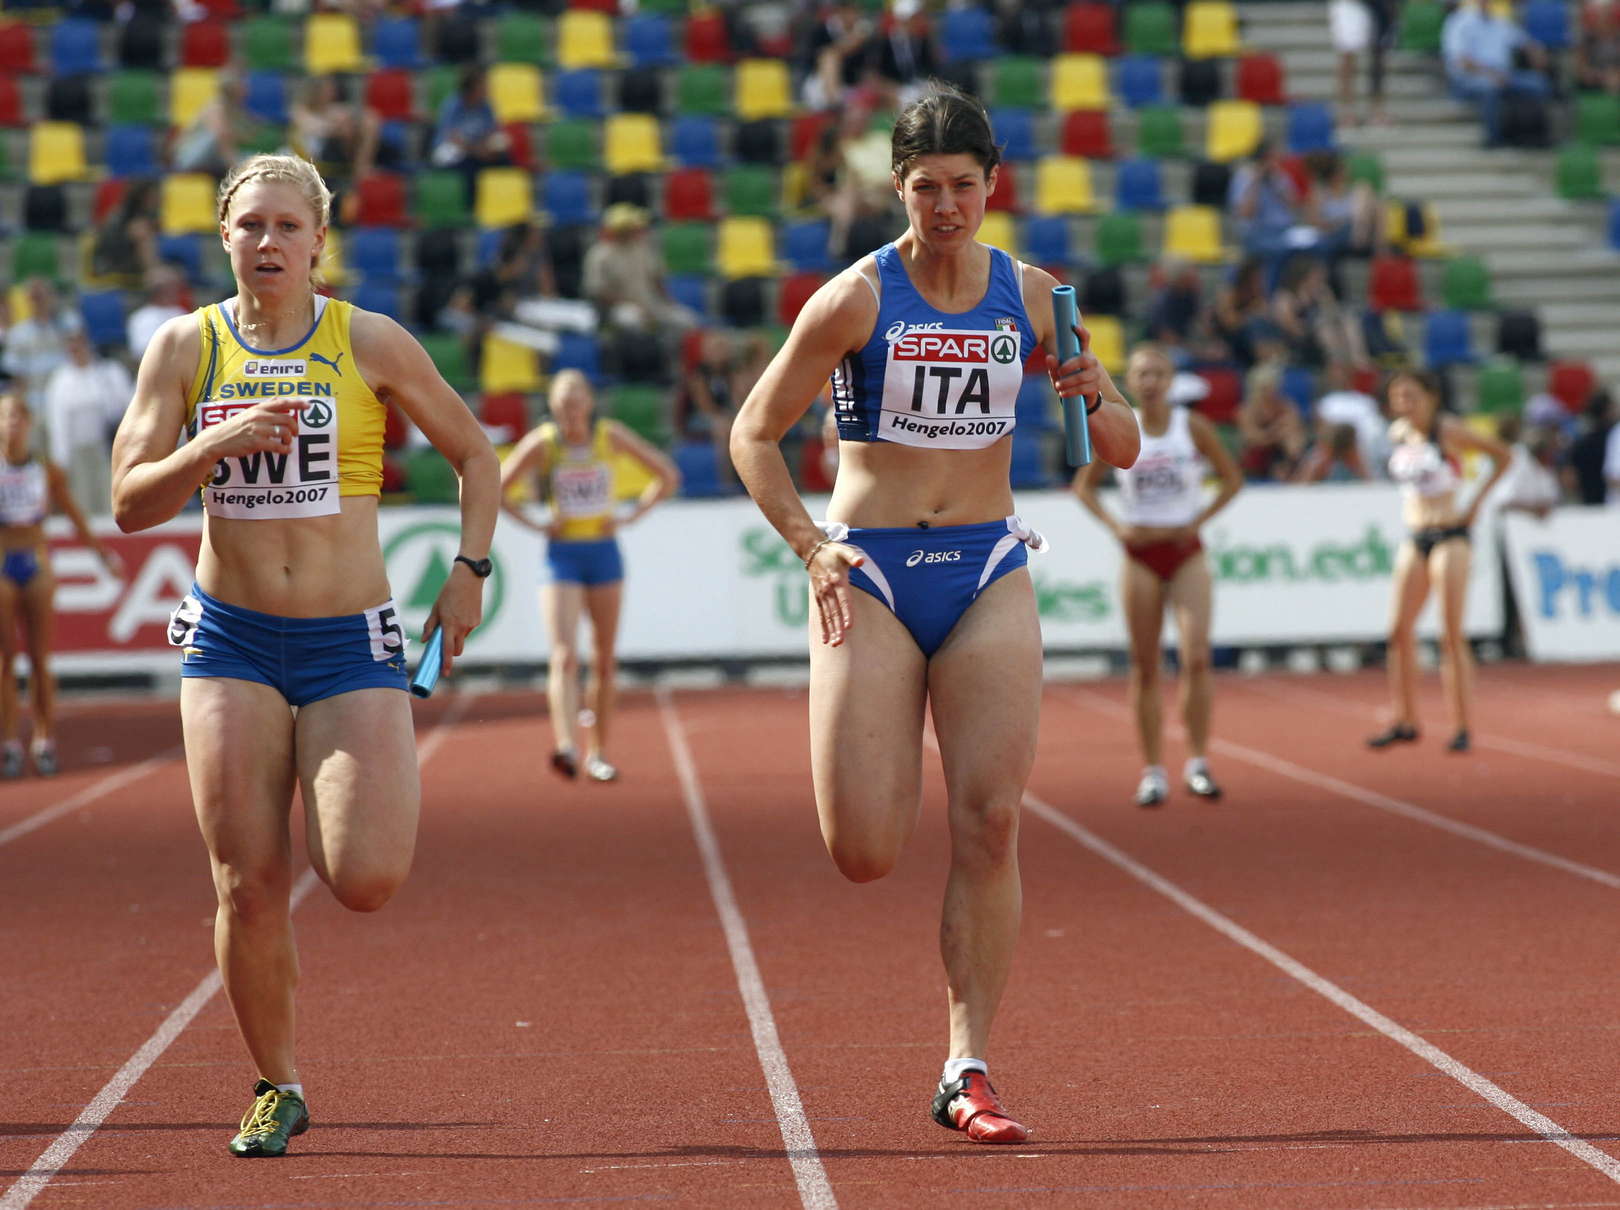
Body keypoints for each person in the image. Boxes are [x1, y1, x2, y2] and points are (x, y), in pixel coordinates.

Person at [728, 82, 1140, 1144]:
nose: (946, 206)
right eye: (925, 188)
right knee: (864, 848)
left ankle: (967, 1066)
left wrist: (1095, 389)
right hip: (871, 571)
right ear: (896, 188)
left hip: (987, 566)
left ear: (993, 185)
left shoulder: (1034, 296)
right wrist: (812, 545)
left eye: (963, 185)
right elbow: (752, 434)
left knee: (991, 820)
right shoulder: (854, 300)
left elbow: (1127, 446)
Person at [109, 153, 500, 1158]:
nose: (269, 242)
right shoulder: (185, 347)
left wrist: (469, 569)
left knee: (365, 875)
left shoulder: (366, 339)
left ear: (320, 241)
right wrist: (214, 444)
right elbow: (128, 502)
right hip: (230, 638)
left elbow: (476, 452)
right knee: (246, 882)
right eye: (251, 225)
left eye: (288, 226)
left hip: (347, 640)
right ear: (224, 235)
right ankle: (277, 1083)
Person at [1071, 345, 1243, 807]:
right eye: (1142, 374)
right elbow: (1084, 488)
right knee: (1145, 666)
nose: (1150, 382)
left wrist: (1198, 521)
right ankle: (1152, 771)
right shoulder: (1119, 426)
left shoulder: (1193, 427)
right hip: (1139, 553)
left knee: (1197, 657)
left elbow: (1232, 479)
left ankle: (1198, 763)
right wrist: (1117, 527)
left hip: (1185, 552)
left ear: (1171, 380)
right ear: (1130, 380)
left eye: (1158, 373)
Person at [498, 369, 679, 783]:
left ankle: (598, 752)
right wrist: (537, 524)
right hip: (561, 556)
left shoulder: (609, 436)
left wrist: (630, 516)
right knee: (564, 655)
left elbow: (667, 476)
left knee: (604, 660)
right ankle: (566, 746)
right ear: (552, 407)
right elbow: (498, 488)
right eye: (563, 406)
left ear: (590, 404)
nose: (571, 414)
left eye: (576, 404)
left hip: (604, 554)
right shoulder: (543, 443)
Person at [1367, 369, 1508, 754]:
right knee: (1398, 631)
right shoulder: (1398, 433)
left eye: (1411, 395)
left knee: (1449, 634)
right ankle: (1405, 719)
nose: (1404, 403)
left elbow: (1503, 456)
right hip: (1415, 535)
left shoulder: (1449, 430)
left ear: (1431, 397)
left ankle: (1461, 724)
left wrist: (1475, 504)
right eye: (1398, 396)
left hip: (1451, 536)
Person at [0, 393, 122, 778]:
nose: (12, 424)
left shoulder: (45, 469)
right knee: (5, 660)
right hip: (2, 565)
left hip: (35, 562)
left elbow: (73, 514)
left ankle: (44, 740)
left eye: (18, 416)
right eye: (5, 417)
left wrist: (102, 556)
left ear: (29, 423)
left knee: (40, 659)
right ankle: (9, 742)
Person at [41, 328, 134, 514]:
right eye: (72, 346)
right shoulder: (60, 380)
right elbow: (58, 424)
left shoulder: (109, 372)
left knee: (111, 498)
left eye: (80, 344)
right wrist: (61, 460)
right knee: (83, 501)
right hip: (77, 451)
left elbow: (127, 408)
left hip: (106, 447)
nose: (77, 349)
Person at [1442, 0, 1552, 148]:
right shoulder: (1459, 22)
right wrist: (1491, 74)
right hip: (1468, 79)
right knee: (1490, 87)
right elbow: (1461, 61)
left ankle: (1534, 137)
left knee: (1538, 84)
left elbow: (1524, 42)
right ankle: (1494, 140)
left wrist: (1536, 52)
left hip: (1503, 75)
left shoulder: (1499, 22)